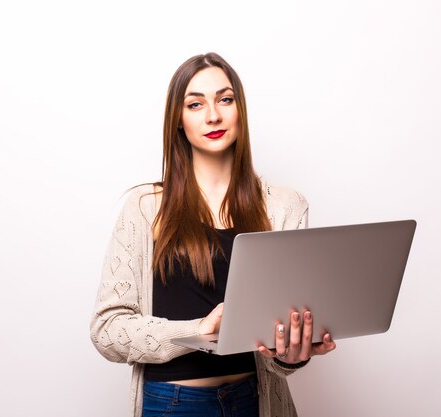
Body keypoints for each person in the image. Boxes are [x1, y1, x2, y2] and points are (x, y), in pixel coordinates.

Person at [90, 52, 336, 417]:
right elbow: (107, 329)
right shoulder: (145, 207)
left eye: (225, 99)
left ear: (240, 110)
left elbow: (277, 350)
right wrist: (198, 330)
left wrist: (290, 355)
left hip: (256, 400)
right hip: (172, 404)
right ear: (178, 120)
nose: (213, 116)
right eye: (195, 104)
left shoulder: (285, 206)